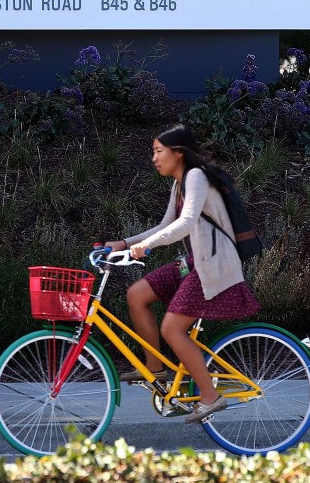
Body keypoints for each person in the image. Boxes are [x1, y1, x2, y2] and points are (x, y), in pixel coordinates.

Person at [104, 123, 260, 423]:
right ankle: (156, 368)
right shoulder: (180, 184)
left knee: (172, 329)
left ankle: (210, 396)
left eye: (159, 151)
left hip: (214, 265)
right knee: (136, 294)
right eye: (153, 152)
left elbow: (186, 223)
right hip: (195, 261)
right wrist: (125, 243)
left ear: (178, 153)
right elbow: (166, 225)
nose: (154, 158)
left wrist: (147, 246)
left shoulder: (196, 176)